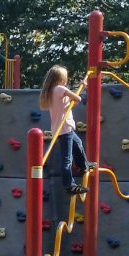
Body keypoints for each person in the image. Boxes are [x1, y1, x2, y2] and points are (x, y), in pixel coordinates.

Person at [39, 66, 88, 196]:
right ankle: (69, 185)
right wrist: (82, 86)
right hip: (65, 127)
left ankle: (83, 166)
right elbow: (78, 100)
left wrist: (81, 87)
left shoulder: (51, 92)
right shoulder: (60, 89)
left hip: (60, 128)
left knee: (78, 145)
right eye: (66, 77)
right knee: (67, 159)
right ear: (61, 79)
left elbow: (69, 105)